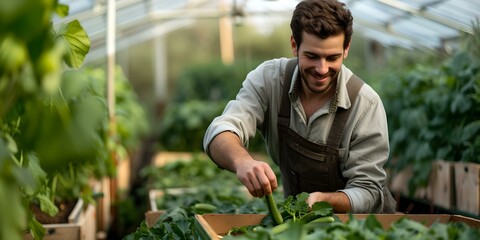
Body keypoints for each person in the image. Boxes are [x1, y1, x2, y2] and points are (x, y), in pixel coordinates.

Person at [203, 0, 396, 213]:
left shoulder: (365, 105)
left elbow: (368, 191)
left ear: (346, 49)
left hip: (359, 228)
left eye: (332, 57)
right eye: (312, 56)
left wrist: (324, 201)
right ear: (294, 45)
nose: (322, 69)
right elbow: (220, 131)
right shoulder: (270, 80)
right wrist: (243, 162)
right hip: (300, 224)